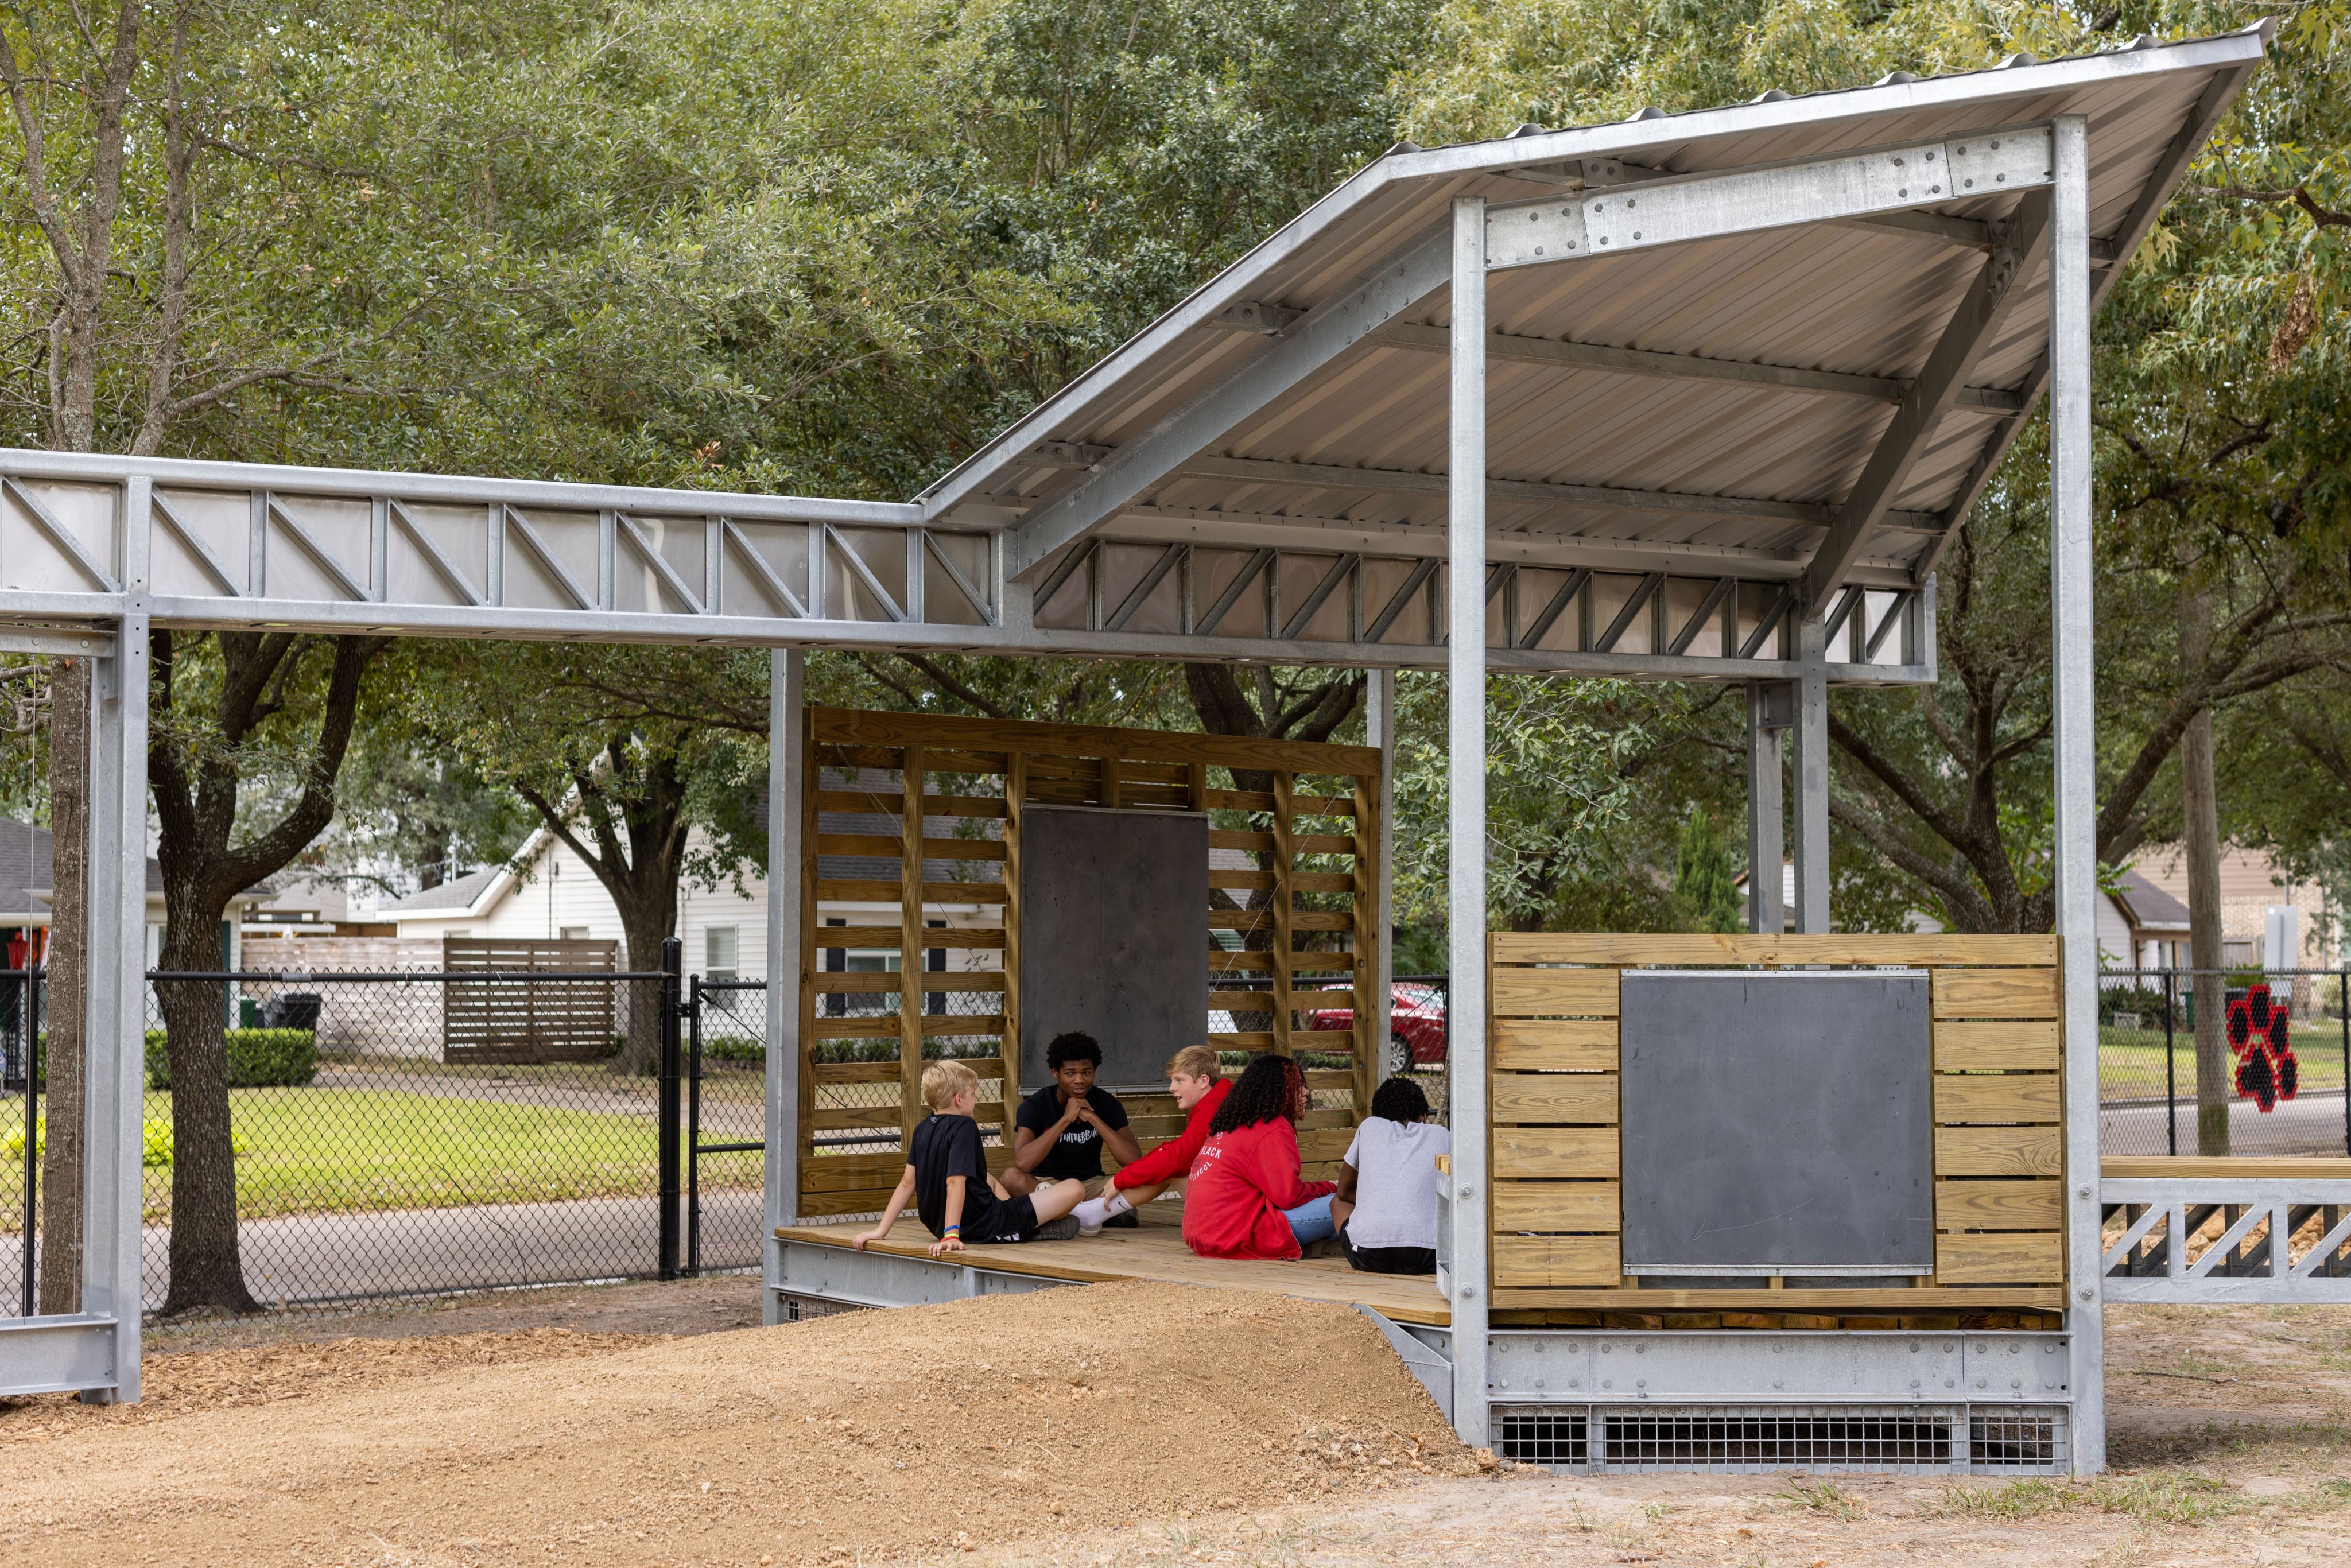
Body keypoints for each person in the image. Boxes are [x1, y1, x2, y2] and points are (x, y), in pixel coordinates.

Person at [853, 1060, 1084, 1255]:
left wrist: (880, 1231)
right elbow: (955, 1182)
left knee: (987, 1178)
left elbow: (907, 1183)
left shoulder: (922, 1129)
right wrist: (952, 1235)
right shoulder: (965, 1126)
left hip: (940, 1226)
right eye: (973, 1094)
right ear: (959, 1099)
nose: (976, 1100)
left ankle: (1020, 1221)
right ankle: (1024, 1229)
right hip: (981, 1226)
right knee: (1075, 1188)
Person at [1180, 1054, 1336, 1260]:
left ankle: (1313, 1245)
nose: (1306, 1092)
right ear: (1281, 1092)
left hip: (1203, 1237)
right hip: (1239, 1236)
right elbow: (1289, 1197)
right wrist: (1332, 1186)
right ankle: (1300, 1245)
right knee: (1346, 1203)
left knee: (1340, 1213)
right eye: (1298, 1086)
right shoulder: (1273, 1128)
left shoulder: (1231, 1123)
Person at [1070, 1045, 1228, 1235]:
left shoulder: (1213, 1109)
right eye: (1172, 1080)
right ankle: (1091, 1213)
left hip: (1227, 1217)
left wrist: (1121, 1180)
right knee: (1165, 1163)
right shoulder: (1218, 1101)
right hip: (1228, 1202)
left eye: (1179, 1080)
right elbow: (1176, 1151)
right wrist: (1133, 1172)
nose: (1172, 1088)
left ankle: (1090, 1214)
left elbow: (1177, 1158)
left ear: (1203, 1081)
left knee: (1171, 1168)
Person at [1333, 1075, 1450, 1274]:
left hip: (1368, 1256)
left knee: (1336, 1203)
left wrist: (1375, 1199)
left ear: (1377, 1114)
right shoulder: (1442, 1134)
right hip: (1432, 1256)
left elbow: (1343, 1192)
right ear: (1423, 1117)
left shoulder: (1369, 1128)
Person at [1007, 1031, 1140, 1205]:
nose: (1079, 1080)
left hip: (1092, 1185)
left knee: (1142, 1178)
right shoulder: (1035, 1106)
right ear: (1056, 1072)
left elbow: (1134, 1161)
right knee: (1011, 1178)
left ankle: (1067, 1212)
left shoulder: (1107, 1103)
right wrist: (1066, 1119)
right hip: (1048, 1185)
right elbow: (1023, 1164)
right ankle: (1088, 1211)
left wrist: (1094, 1118)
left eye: (1086, 1072)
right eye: (1070, 1073)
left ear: (1095, 1072)